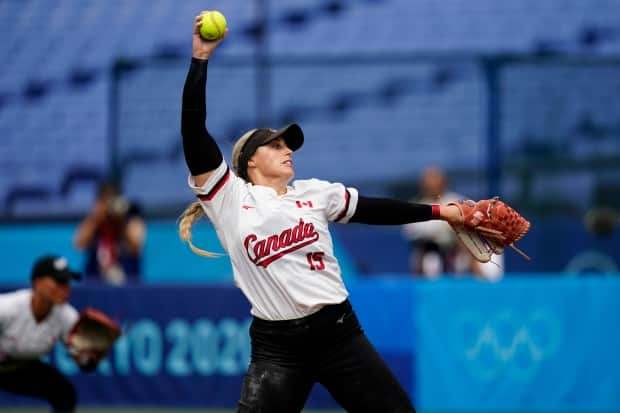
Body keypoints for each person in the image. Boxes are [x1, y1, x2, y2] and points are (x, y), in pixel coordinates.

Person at [177, 12, 473, 413]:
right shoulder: (229, 198)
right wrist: (200, 59)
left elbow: (372, 209)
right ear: (249, 162)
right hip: (277, 348)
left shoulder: (315, 193)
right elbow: (194, 134)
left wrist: (440, 211)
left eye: (289, 145)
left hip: (338, 334)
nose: (288, 150)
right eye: (276, 145)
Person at [0, 255, 101, 413]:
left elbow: (82, 360)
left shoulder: (67, 317)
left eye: (68, 282)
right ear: (37, 283)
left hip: (19, 368)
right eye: (59, 282)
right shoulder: (6, 308)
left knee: (64, 392)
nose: (66, 287)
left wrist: (89, 357)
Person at [73, 180, 146, 285]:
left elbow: (136, 248)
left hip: (127, 282)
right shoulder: (94, 221)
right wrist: (97, 218)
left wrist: (121, 221)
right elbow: (79, 244)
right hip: (95, 280)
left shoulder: (132, 220)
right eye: (104, 201)